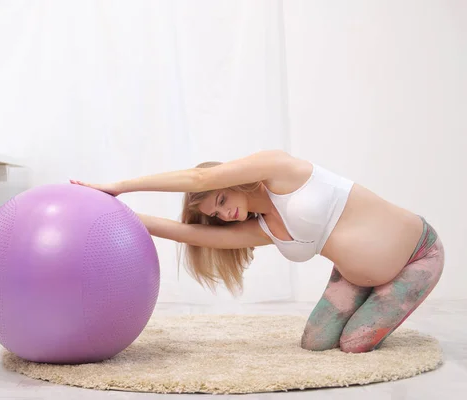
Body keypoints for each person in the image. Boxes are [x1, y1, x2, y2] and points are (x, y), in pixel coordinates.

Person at [70, 149, 444, 353]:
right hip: (356, 276)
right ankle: (373, 295)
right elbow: (190, 235)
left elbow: (199, 178)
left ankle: (385, 299)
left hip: (416, 254)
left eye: (221, 198)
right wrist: (115, 211)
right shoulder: (262, 229)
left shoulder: (283, 170)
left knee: (355, 345)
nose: (223, 213)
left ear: (231, 180)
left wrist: (119, 186)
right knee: (316, 345)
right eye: (215, 213)